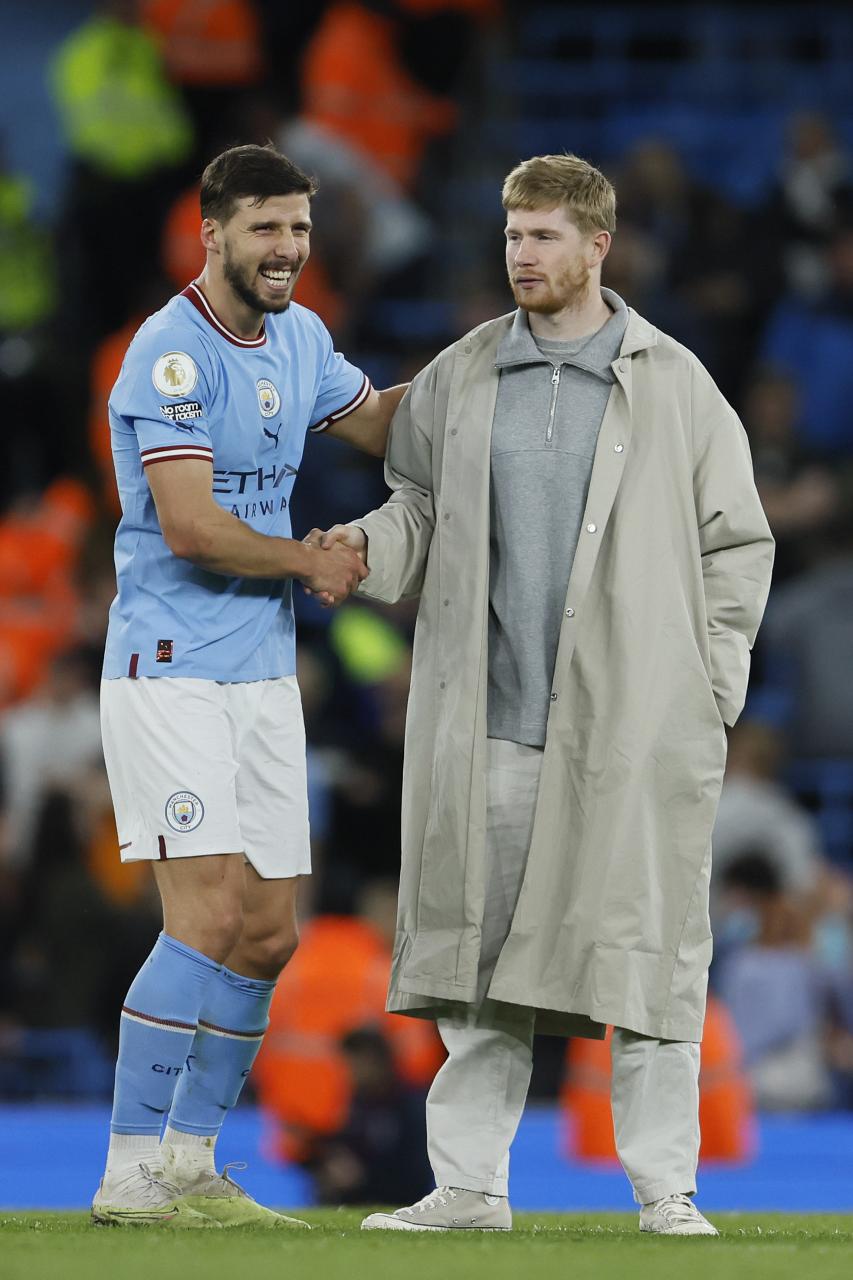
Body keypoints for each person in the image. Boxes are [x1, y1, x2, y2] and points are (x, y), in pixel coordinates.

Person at [311, 153, 774, 1235]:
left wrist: (709, 687)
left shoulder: (675, 380)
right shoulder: (461, 374)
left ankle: (667, 1188)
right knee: (479, 966)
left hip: (636, 728)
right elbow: (417, 510)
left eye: (545, 236)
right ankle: (469, 1185)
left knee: (652, 960)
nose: (522, 253)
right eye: (513, 234)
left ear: (598, 245)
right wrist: (358, 549)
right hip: (495, 723)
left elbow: (737, 542)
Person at [93, 142, 406, 1228]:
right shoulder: (171, 353)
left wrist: (504, 368)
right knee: (207, 913)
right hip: (171, 669)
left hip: (264, 676)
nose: (287, 250)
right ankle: (128, 1164)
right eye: (267, 228)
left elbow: (383, 423)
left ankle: (189, 1161)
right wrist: (310, 559)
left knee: (271, 930)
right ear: (212, 230)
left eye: (301, 230)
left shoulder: (304, 336)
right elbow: (189, 527)